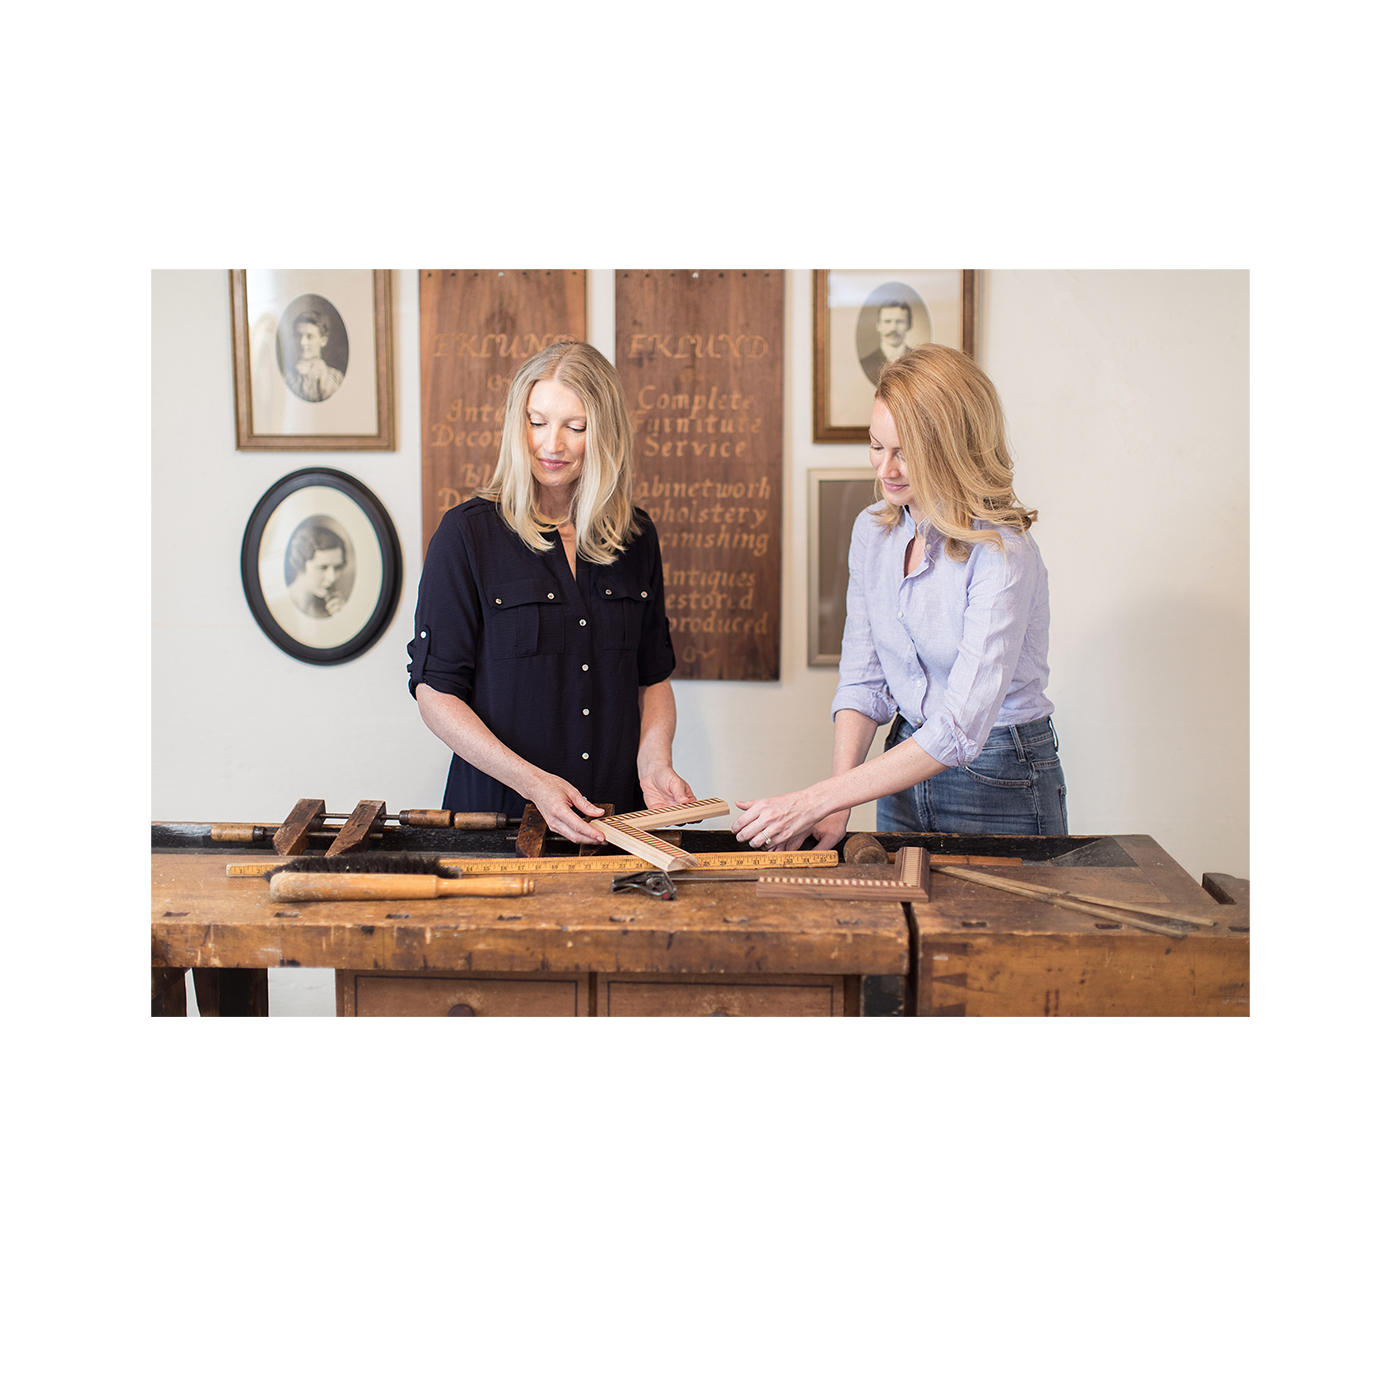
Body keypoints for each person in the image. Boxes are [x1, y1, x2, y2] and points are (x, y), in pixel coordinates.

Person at [734, 343, 1067, 850]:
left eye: (906, 452)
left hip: (999, 772)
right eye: (876, 445)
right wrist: (840, 803)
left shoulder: (1002, 552)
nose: (885, 469)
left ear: (953, 449)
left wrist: (817, 798)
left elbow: (959, 728)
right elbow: (865, 679)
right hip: (902, 765)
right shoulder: (873, 532)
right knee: (903, 920)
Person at [407, 340, 695, 843]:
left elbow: (652, 679)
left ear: (604, 433)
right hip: (497, 825)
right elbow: (435, 693)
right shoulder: (465, 535)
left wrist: (654, 762)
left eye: (575, 426)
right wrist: (533, 784)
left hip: (615, 823)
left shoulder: (636, 536)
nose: (552, 444)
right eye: (536, 421)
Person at [285, 522, 347, 618]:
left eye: (337, 567)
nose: (332, 577)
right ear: (301, 564)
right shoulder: (282, 605)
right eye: (323, 567)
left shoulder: (334, 607)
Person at [284, 308, 344, 402]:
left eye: (310, 337)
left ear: (323, 341)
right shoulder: (286, 377)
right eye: (298, 336)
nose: (302, 343)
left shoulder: (336, 378)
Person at [859, 300, 913, 385]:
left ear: (908, 326)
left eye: (899, 322)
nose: (893, 328)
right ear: (878, 326)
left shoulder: (920, 362)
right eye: (887, 321)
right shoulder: (866, 364)